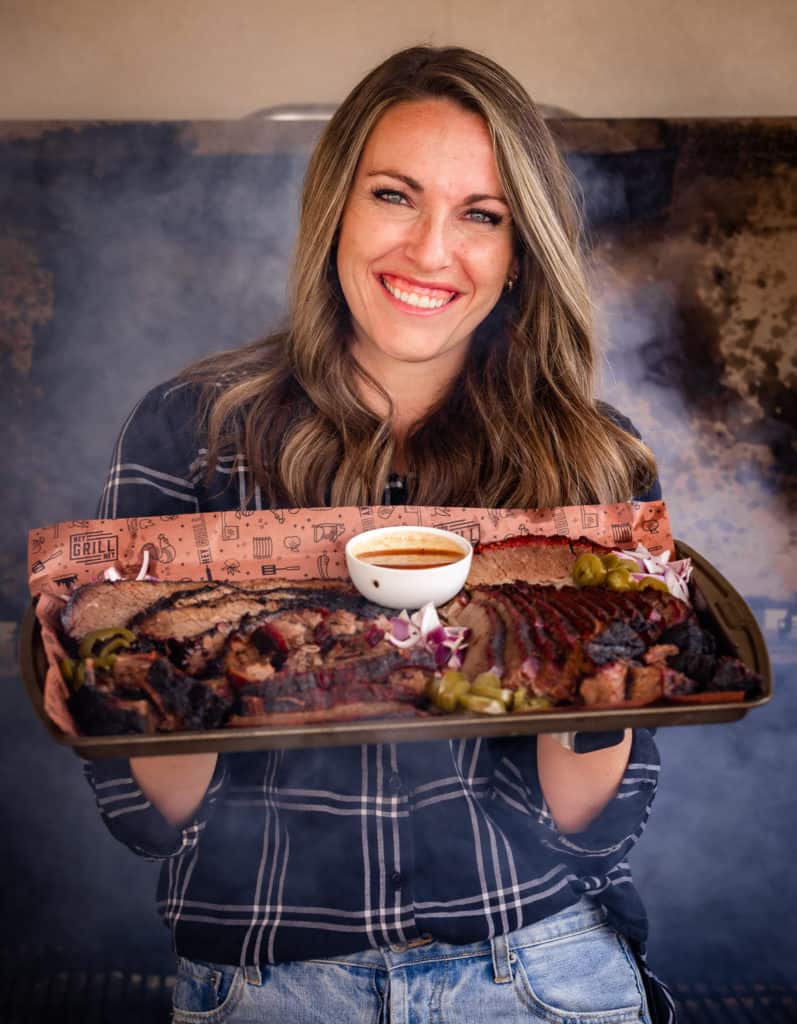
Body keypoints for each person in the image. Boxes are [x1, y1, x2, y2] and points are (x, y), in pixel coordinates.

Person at [86, 46, 676, 1023]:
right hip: (268, 983)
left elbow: (590, 826)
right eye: (395, 196)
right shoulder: (188, 430)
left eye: (480, 215)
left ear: (517, 250)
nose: (430, 250)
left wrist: (598, 667)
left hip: (538, 968)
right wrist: (161, 660)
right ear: (335, 210)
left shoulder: (596, 461)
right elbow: (152, 820)